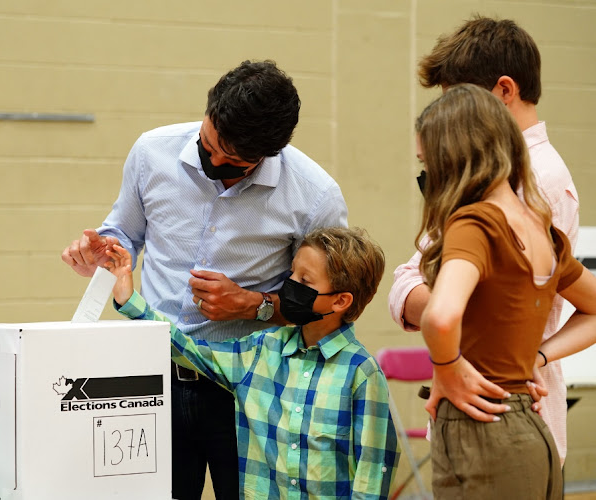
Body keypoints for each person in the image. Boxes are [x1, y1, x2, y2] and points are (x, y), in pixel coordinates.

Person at [61, 60, 349, 499]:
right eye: (206, 146)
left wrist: (254, 304)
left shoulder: (315, 196)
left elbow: (325, 307)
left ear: (270, 154)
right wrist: (99, 249)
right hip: (150, 378)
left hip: (249, 388)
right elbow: (124, 232)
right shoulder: (151, 151)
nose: (213, 162)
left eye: (231, 163)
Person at [388, 16, 579, 464]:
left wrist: (451, 360)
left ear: (503, 92)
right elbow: (408, 280)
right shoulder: (488, 178)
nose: (449, 120)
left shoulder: (526, 186)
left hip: (498, 413)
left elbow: (447, 307)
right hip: (488, 409)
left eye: (461, 102)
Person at [104, 226, 398, 499]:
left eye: (305, 281)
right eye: (292, 273)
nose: (290, 285)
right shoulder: (261, 350)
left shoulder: (362, 374)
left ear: (340, 301)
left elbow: (373, 471)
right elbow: (190, 350)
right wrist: (131, 301)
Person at [415, 84, 596, 499]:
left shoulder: (474, 224)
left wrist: (447, 367)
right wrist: (538, 356)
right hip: (533, 432)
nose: (426, 177)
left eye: (429, 163)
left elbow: (440, 316)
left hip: (481, 430)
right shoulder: (540, 228)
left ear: (453, 160)